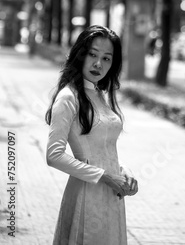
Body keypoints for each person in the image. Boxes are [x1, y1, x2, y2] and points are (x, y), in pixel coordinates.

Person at [46, 25, 138, 245]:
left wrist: (123, 171)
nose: (99, 64)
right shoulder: (69, 97)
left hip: (112, 192)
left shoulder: (99, 93)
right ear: (81, 54)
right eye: (93, 54)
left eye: (107, 58)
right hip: (86, 192)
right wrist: (105, 176)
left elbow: (103, 146)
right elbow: (54, 155)